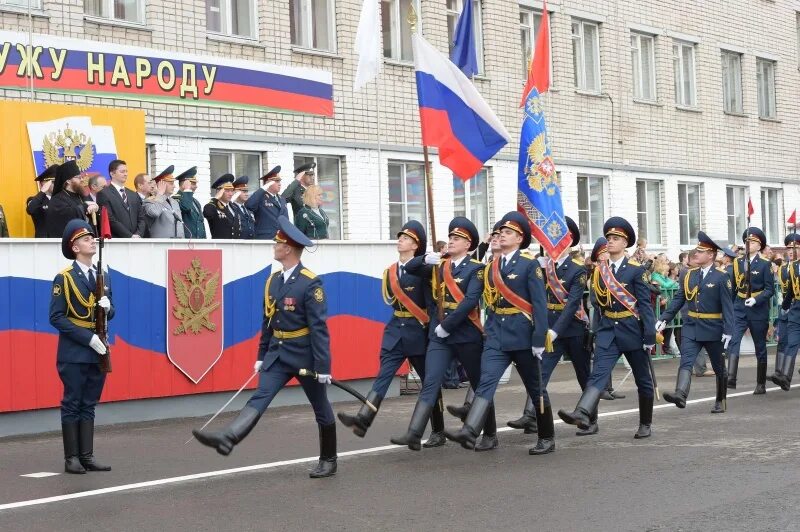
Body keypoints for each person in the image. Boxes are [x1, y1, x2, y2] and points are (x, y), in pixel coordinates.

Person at [193, 216, 338, 479]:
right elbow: (268, 320)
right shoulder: (272, 281)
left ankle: (329, 459)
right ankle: (229, 437)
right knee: (260, 396)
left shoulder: (310, 282)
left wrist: (323, 366)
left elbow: (319, 328)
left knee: (320, 405)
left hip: (305, 354)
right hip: (278, 353)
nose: (274, 245)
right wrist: (261, 354)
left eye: (278, 243)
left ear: (289, 249)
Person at [444, 212, 549, 455]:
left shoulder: (529, 265)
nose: (502, 235)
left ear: (520, 238)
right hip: (496, 336)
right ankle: (472, 431)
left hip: (523, 336)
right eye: (500, 232)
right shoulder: (490, 267)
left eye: (508, 233)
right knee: (485, 383)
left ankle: (546, 436)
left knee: (536, 389)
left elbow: (539, 305)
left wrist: (539, 339)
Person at [392, 216, 498, 451]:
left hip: (465, 334)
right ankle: (414, 432)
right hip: (440, 337)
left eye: (457, 238)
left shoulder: (476, 269)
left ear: (468, 244)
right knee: (430, 381)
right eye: (450, 236)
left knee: (479, 383)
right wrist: (427, 258)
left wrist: (447, 325)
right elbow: (409, 266)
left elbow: (470, 301)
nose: (451, 241)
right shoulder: (439, 265)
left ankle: (490, 434)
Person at [337, 221, 445, 443]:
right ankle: (363, 419)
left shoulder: (425, 271)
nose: (400, 241)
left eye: (405, 238)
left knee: (429, 382)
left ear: (416, 246)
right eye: (400, 237)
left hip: (419, 331)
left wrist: (433, 332)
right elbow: (391, 301)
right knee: (383, 377)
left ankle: (438, 430)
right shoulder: (390, 272)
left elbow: (432, 306)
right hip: (396, 331)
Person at [558, 217, 656, 440]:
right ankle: (582, 412)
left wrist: (649, 333)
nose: (610, 242)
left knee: (643, 379)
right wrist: (596, 331)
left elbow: (644, 305)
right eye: (609, 238)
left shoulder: (636, 271)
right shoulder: (600, 271)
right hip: (608, 330)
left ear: (625, 243)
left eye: (615, 239)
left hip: (632, 330)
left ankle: (645, 423)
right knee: (598, 375)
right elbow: (599, 304)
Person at [518, 216, 596, 437]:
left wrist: (555, 330)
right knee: (540, 373)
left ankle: (591, 418)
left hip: (571, 329)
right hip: (550, 328)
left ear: (567, 241)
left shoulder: (577, 269)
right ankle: (531, 415)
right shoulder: (542, 265)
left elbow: (572, 304)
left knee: (583, 374)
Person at [50, 219, 114, 474]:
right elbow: (56, 317)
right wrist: (88, 338)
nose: (92, 242)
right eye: (86, 239)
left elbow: (111, 312)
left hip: (98, 351)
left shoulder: (103, 275)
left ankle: (86, 455)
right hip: (75, 352)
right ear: (75, 247)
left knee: (89, 403)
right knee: (73, 402)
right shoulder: (63, 278)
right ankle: (71, 458)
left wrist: (109, 309)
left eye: (92, 238)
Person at [656, 232, 735, 413]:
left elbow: (727, 306)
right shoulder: (688, 274)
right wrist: (664, 319)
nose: (696, 254)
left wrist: (729, 331)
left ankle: (720, 400)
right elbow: (678, 299)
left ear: (711, 255)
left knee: (718, 367)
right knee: (686, 361)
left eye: (701, 251)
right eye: (696, 251)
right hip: (692, 326)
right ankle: (681, 394)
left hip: (714, 328)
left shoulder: (721, 276)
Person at [726, 227, 774, 394]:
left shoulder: (764, 264)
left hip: (757, 309)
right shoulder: (737, 262)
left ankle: (761, 383)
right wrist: (731, 308)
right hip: (739, 307)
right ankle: (731, 377)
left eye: (752, 242)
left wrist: (756, 299)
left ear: (759, 246)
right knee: (734, 341)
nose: (748, 244)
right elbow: (733, 287)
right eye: (746, 241)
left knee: (760, 346)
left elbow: (769, 289)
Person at [771, 233, 800, 390]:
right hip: (795, 309)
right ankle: (785, 377)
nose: (792, 250)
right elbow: (790, 291)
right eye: (789, 248)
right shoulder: (792, 267)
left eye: (795, 248)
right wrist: (784, 307)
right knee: (791, 343)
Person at [46, 161, 99, 238]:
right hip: (68, 241)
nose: (81, 180)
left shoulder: (82, 197)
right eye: (78, 177)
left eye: (81, 177)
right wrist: (85, 207)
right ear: (68, 181)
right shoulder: (57, 199)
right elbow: (67, 215)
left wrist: (96, 208)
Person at [96, 160, 145, 238]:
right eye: (122, 172)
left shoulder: (133, 194)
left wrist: (138, 234)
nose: (126, 174)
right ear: (112, 174)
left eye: (126, 171)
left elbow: (141, 217)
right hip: (117, 241)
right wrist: (130, 236)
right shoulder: (104, 194)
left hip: (136, 240)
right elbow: (110, 219)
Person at [246, 166, 288, 239]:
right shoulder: (260, 197)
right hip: (265, 238)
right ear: (268, 183)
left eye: (279, 181)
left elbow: (286, 220)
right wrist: (263, 188)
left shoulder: (282, 199)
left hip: (281, 238)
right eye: (276, 181)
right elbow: (249, 205)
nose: (279, 184)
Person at [143, 166, 185, 239]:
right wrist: (160, 194)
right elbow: (154, 212)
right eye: (171, 183)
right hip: (160, 246)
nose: (174, 186)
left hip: (177, 244)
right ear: (161, 185)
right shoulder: (149, 201)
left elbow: (179, 225)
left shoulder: (175, 202)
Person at [203, 174, 240, 239]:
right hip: (221, 245)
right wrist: (215, 198)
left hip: (235, 246)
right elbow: (207, 213)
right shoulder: (214, 206)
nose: (231, 194)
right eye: (227, 191)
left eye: (232, 191)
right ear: (219, 191)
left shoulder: (233, 207)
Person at [175, 167, 206, 239]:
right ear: (184, 184)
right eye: (193, 183)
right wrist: (187, 190)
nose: (196, 186)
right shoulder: (176, 198)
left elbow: (200, 223)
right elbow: (186, 208)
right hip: (186, 242)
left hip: (199, 241)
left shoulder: (195, 201)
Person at [27, 165, 58, 238]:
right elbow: (31, 209)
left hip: (59, 240)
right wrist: (42, 191)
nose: (56, 185)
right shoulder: (34, 200)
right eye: (53, 182)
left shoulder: (60, 199)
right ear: (43, 183)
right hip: (43, 242)